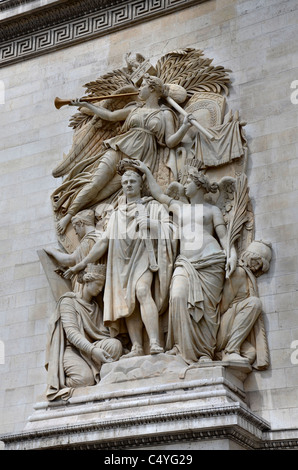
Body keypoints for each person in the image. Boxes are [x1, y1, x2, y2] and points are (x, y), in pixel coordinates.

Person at [56, 75, 194, 235]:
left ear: (151, 89)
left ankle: (83, 213)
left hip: (136, 161)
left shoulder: (165, 114)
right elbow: (109, 116)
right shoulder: (133, 109)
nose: (139, 89)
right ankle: (69, 216)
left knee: (103, 193)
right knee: (95, 184)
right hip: (119, 148)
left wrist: (184, 127)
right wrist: (88, 105)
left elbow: (170, 141)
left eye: (142, 85)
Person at [130, 159, 237, 364]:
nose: (183, 185)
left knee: (205, 309)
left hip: (210, 261)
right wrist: (145, 170)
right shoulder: (179, 207)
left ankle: (204, 352)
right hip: (185, 262)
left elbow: (224, 237)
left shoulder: (212, 210)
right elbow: (159, 195)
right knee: (177, 296)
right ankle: (180, 347)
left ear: (198, 185)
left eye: (188, 182)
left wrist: (232, 254)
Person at [63, 165, 176, 358]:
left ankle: (155, 342)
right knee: (127, 301)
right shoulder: (116, 214)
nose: (128, 185)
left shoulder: (152, 207)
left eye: (132, 181)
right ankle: (137, 346)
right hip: (121, 263)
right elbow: (103, 242)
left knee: (141, 291)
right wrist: (82, 264)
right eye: (125, 182)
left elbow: (172, 230)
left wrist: (151, 224)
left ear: (141, 184)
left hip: (144, 258)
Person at [45, 263, 123, 401]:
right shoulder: (68, 302)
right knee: (84, 379)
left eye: (102, 286)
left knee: (115, 345)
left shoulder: (96, 307)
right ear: (87, 281)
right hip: (73, 350)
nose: (100, 289)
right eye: (98, 284)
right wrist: (93, 350)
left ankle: (103, 374)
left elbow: (100, 333)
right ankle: (60, 381)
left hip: (91, 348)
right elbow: (72, 333)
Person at [216, 240, 272, 368]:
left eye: (260, 266)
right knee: (254, 303)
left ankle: (221, 355)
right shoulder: (239, 273)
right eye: (257, 262)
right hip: (222, 325)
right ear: (249, 255)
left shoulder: (247, 275)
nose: (257, 267)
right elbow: (222, 306)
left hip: (231, 326)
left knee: (251, 354)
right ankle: (231, 350)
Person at [45, 209, 102, 293]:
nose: (76, 233)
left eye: (75, 228)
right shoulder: (99, 237)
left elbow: (70, 260)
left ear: (81, 223)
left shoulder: (89, 241)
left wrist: (52, 251)